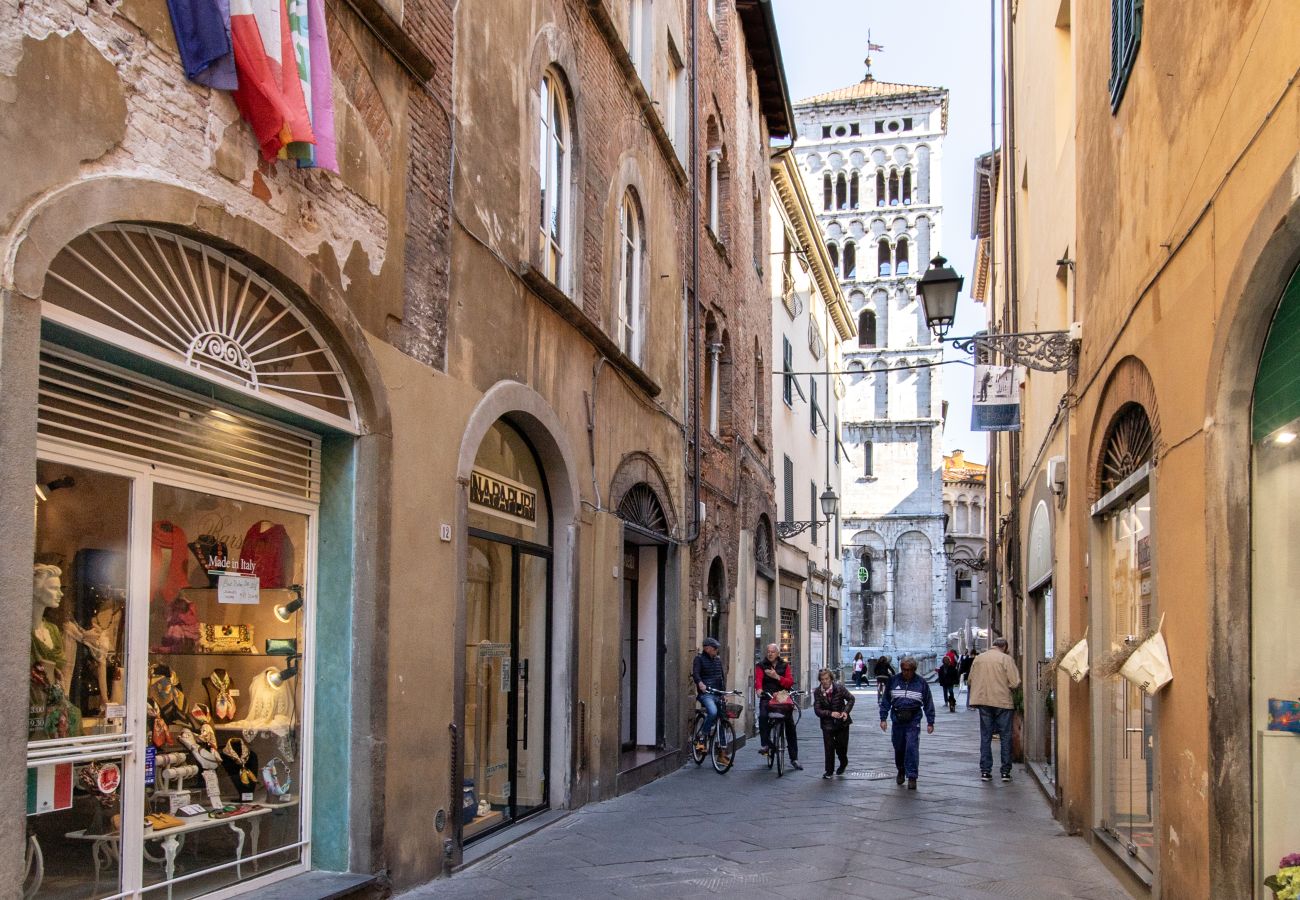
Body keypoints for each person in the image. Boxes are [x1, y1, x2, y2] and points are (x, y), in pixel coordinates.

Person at [969, 637, 1022, 782]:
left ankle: (985, 771)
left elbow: (970, 679)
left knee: (985, 737)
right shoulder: (1006, 659)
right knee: (1005, 736)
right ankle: (1005, 772)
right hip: (1002, 701)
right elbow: (1015, 682)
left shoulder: (979, 659)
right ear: (1004, 647)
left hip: (984, 701)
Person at [878, 656, 935, 789]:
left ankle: (912, 776)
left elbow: (928, 702)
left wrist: (930, 721)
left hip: (913, 718)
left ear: (914, 670)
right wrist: (883, 718)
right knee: (898, 746)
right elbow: (886, 700)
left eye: (908, 670)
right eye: (903, 669)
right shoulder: (893, 681)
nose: (906, 672)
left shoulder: (921, 683)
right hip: (897, 718)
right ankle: (901, 769)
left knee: (911, 747)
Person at [755, 643, 801, 770]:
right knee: (763, 717)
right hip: (767, 696)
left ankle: (794, 758)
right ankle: (766, 744)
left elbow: (789, 682)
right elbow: (758, 680)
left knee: (790, 726)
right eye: (768, 651)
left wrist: (777, 677)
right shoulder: (761, 665)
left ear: (778, 653)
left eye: (773, 651)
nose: (770, 654)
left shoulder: (784, 666)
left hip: (782, 697)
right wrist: (759, 690)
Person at [813, 668, 855, 778]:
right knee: (829, 747)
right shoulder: (817, 692)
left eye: (827, 679)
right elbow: (817, 710)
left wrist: (845, 712)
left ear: (831, 679)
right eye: (822, 679)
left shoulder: (839, 688)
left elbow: (851, 699)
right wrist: (830, 713)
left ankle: (843, 762)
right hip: (827, 723)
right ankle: (829, 771)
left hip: (842, 722)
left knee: (842, 747)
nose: (825, 681)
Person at [691, 637, 725, 754]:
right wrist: (700, 684)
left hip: (717, 693)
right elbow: (695, 674)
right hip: (706, 694)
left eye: (717, 648)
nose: (716, 650)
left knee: (723, 719)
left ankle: (722, 751)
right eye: (714, 648)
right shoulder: (699, 659)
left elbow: (721, 677)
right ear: (707, 648)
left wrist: (723, 693)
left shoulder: (717, 660)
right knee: (713, 712)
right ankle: (702, 736)